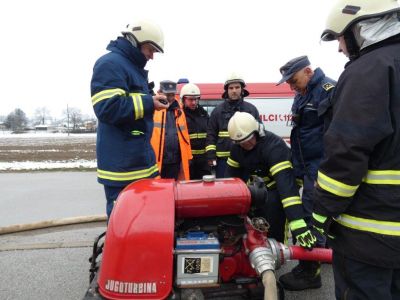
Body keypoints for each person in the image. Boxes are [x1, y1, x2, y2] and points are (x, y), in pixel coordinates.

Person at [308, 0, 400, 299]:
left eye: (340, 38)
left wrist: (321, 212)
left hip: (370, 237)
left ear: (359, 29)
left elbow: (347, 152)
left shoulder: (367, 71)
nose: (339, 49)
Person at [90, 20, 169, 219]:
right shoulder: (110, 64)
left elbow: (131, 103)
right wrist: (149, 102)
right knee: (125, 225)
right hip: (123, 171)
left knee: (143, 224)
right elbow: (108, 108)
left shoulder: (128, 67)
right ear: (135, 41)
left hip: (138, 164)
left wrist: (152, 99)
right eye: (150, 49)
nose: (152, 57)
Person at [276, 55, 336, 291]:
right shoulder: (303, 94)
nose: (291, 86)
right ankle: (323, 255)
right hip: (306, 165)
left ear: (308, 71)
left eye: (293, 80)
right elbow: (302, 134)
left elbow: (336, 134)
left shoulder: (328, 90)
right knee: (315, 216)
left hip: (321, 167)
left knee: (312, 219)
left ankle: (310, 272)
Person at [225, 112, 317, 249]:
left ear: (257, 131)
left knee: (273, 210)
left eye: (249, 139)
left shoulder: (273, 146)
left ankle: (277, 250)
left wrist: (297, 222)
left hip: (282, 185)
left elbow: (286, 186)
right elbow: (232, 180)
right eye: (241, 142)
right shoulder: (236, 149)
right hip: (260, 186)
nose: (246, 144)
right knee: (250, 214)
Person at [206, 73, 259, 178]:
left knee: (246, 189)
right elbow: (211, 134)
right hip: (223, 161)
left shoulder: (251, 109)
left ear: (242, 89)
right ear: (227, 90)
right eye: (231, 88)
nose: (234, 90)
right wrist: (211, 155)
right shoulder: (217, 111)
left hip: (246, 158)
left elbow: (259, 133)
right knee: (225, 190)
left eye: (237, 87)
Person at [151, 80, 192, 180]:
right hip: (157, 161)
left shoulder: (179, 111)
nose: (171, 98)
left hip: (175, 162)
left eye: (172, 95)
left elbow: (185, 135)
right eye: (168, 95)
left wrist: (189, 156)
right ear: (160, 93)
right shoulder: (153, 109)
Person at [181, 83, 211, 179]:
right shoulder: (179, 116)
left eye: (196, 99)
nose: (194, 102)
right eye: (190, 99)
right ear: (183, 100)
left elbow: (210, 136)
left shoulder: (204, 115)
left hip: (204, 162)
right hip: (188, 161)